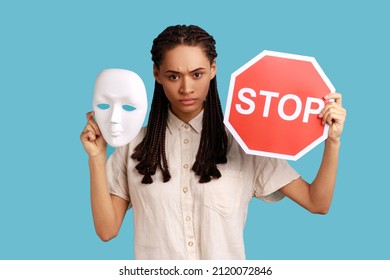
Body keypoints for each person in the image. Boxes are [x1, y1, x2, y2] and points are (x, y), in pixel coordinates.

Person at [80, 24, 346, 260]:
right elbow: (107, 230)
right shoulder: (132, 145)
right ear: (157, 74)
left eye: (197, 74)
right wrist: (96, 157)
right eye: (173, 76)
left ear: (213, 69)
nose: (186, 88)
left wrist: (332, 142)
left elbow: (317, 202)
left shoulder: (244, 140)